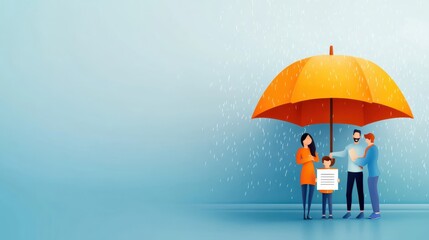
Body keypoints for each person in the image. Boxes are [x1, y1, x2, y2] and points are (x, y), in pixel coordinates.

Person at [329, 129, 366, 219]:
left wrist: (362, 164)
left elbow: (365, 158)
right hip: (350, 172)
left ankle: (362, 212)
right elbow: (343, 154)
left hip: (359, 172)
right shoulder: (349, 146)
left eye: (358, 136)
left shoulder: (362, 148)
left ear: (360, 137)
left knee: (360, 192)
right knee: (348, 192)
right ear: (353, 136)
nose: (356, 137)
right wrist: (333, 154)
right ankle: (348, 212)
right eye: (355, 136)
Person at [352, 133, 381, 219]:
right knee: (373, 193)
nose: (365, 140)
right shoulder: (372, 148)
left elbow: (365, 161)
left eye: (366, 139)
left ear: (369, 139)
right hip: (373, 173)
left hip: (373, 173)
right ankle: (376, 211)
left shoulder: (372, 149)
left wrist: (355, 160)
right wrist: (358, 159)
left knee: (373, 193)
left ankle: (376, 212)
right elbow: (365, 158)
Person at [296, 133, 319, 220]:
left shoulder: (312, 150)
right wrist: (308, 158)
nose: (309, 140)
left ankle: (308, 213)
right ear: (303, 140)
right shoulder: (300, 150)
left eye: (310, 138)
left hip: (312, 174)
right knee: (304, 195)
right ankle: (304, 213)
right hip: (304, 174)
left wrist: (312, 157)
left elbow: (317, 159)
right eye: (307, 138)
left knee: (311, 195)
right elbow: (298, 161)